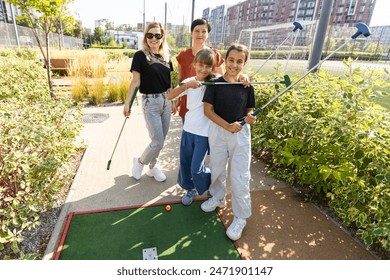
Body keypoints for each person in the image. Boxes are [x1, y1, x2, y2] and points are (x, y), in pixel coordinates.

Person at [201, 43, 257, 241]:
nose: (234, 65)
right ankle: (218, 197)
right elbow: (208, 110)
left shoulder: (246, 85)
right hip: (219, 130)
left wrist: (250, 118)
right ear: (224, 60)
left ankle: (241, 217)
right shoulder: (215, 83)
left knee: (240, 175)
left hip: (240, 133)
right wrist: (226, 125)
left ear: (245, 63)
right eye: (231, 60)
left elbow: (249, 110)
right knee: (216, 166)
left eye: (239, 61)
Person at [123, 22, 172, 182]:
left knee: (161, 140)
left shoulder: (166, 57)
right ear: (146, 37)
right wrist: (127, 103)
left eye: (158, 35)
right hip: (150, 102)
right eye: (150, 35)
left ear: (162, 37)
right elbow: (135, 81)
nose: (154, 38)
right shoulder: (140, 55)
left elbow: (169, 83)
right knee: (157, 141)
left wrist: (173, 100)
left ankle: (152, 167)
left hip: (167, 101)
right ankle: (139, 162)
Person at [167, 48, 217, 205]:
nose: (204, 69)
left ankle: (209, 180)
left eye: (208, 66)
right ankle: (191, 189)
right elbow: (170, 96)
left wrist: (243, 77)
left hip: (204, 134)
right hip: (188, 130)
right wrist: (187, 86)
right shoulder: (188, 82)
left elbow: (232, 81)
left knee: (197, 168)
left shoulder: (215, 82)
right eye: (200, 65)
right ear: (194, 64)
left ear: (212, 67)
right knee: (186, 163)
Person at [174, 18, 224, 122]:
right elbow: (180, 79)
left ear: (208, 34)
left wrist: (242, 77)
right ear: (191, 33)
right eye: (196, 31)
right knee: (189, 133)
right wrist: (176, 99)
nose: (200, 34)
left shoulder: (214, 54)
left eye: (204, 31)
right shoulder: (183, 55)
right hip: (188, 107)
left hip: (209, 107)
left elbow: (222, 80)